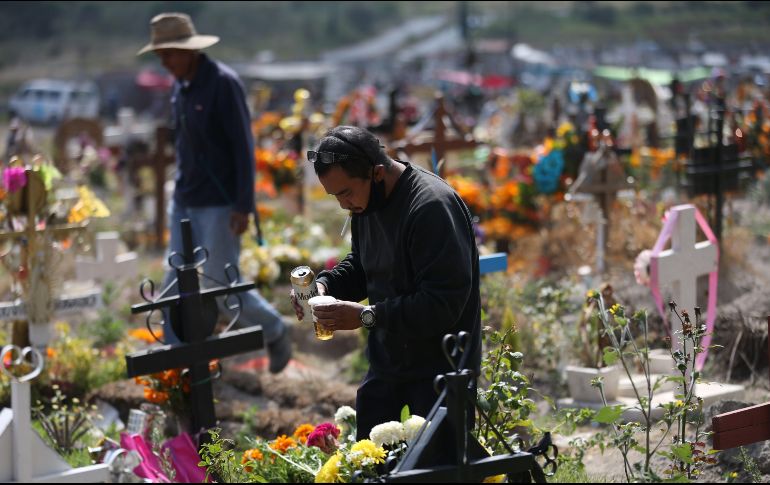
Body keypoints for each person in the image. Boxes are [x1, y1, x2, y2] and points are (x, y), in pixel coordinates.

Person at [292, 126, 481, 440]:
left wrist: (366, 316)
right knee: (370, 461)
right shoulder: (367, 202)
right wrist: (324, 287)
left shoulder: (430, 207)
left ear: (377, 172)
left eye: (345, 193)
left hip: (440, 373)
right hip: (388, 366)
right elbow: (363, 265)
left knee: (433, 465)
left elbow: (442, 303)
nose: (343, 204)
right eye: (335, 196)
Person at [138, 12, 291, 373]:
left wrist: (243, 205)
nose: (164, 62)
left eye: (169, 54)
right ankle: (176, 365)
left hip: (221, 203)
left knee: (222, 286)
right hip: (185, 199)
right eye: (160, 55)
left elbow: (243, 148)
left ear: (188, 50)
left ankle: (274, 329)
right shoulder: (180, 87)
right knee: (172, 283)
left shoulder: (223, 83)